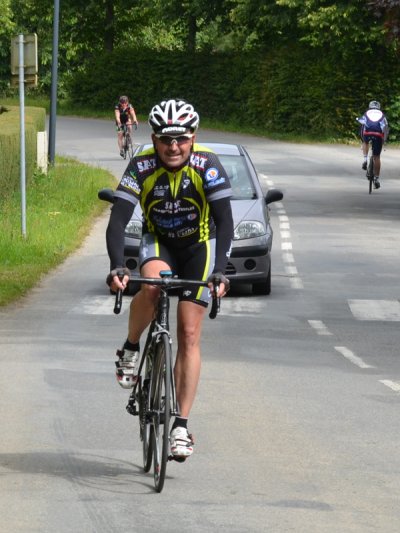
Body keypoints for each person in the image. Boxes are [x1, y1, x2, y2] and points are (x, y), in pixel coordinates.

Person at [106, 99, 233, 460]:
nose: (173, 147)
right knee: (150, 286)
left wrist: (220, 270)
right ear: (154, 139)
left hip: (198, 247)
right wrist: (117, 266)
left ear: (193, 138)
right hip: (159, 243)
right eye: (165, 139)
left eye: (181, 139)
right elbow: (118, 219)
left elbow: (225, 221)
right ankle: (131, 347)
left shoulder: (208, 165)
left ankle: (180, 425)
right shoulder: (142, 164)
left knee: (189, 333)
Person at [357, 100, 389, 189]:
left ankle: (365, 159)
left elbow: (362, 125)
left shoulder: (366, 113)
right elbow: (386, 129)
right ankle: (376, 179)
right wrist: (384, 141)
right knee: (377, 157)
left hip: (367, 133)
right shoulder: (382, 115)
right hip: (378, 135)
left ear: (369, 107)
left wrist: (363, 139)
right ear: (379, 107)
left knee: (365, 142)